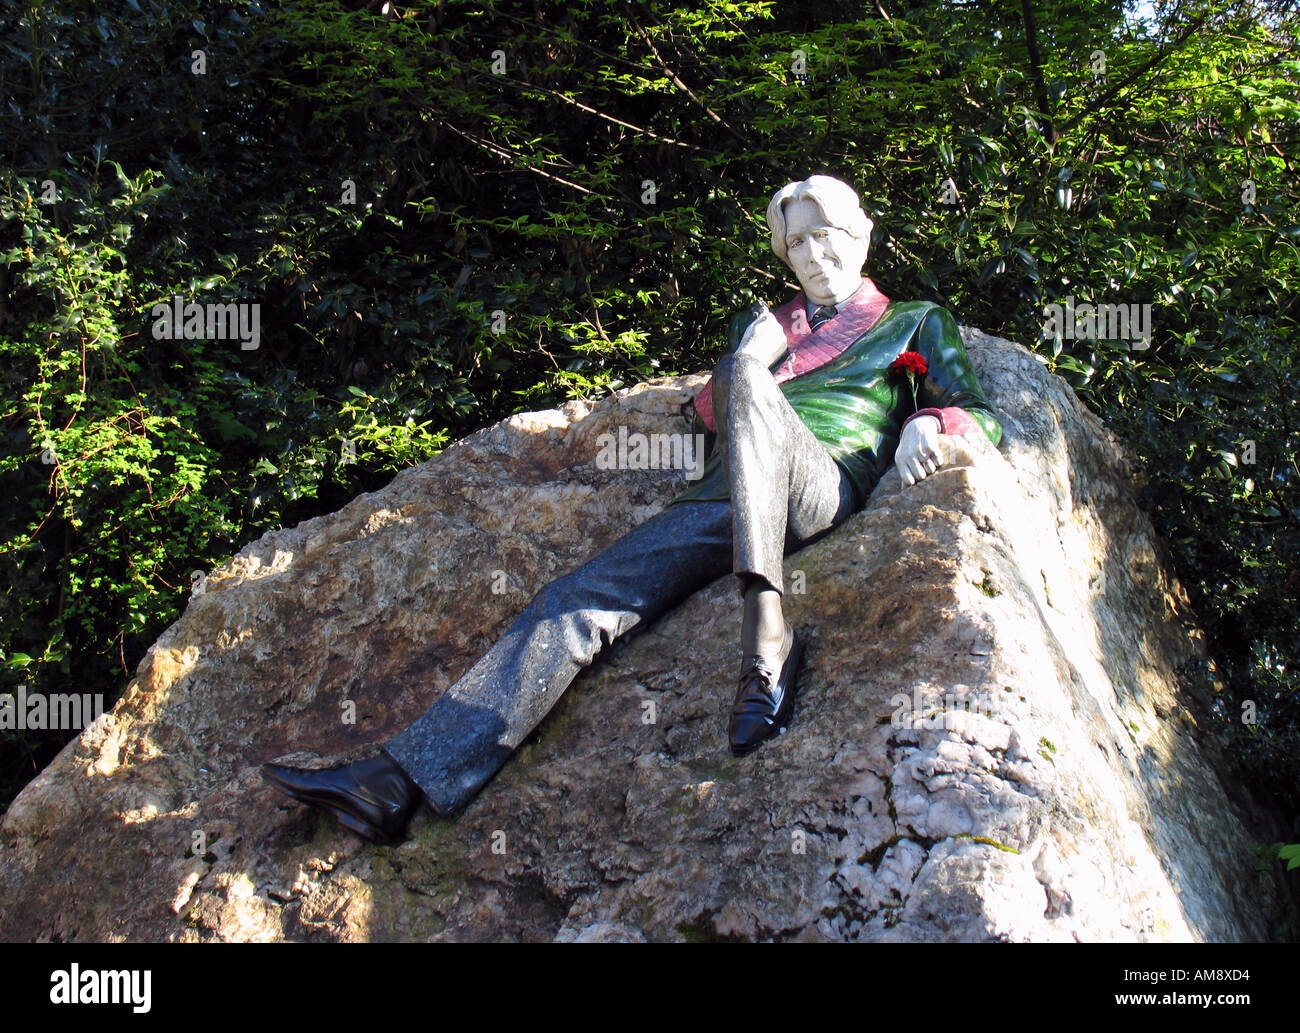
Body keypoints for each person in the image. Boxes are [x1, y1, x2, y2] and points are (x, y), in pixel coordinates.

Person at [261, 175, 1002, 844]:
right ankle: (398, 783)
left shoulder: (911, 319)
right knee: (574, 599)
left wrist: (928, 424)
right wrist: (754, 351)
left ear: (862, 236)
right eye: (796, 241)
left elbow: (978, 409)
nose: (812, 254)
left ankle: (766, 637)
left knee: (745, 372)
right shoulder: (771, 331)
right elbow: (713, 413)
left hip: (820, 484)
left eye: (826, 235)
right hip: (725, 497)